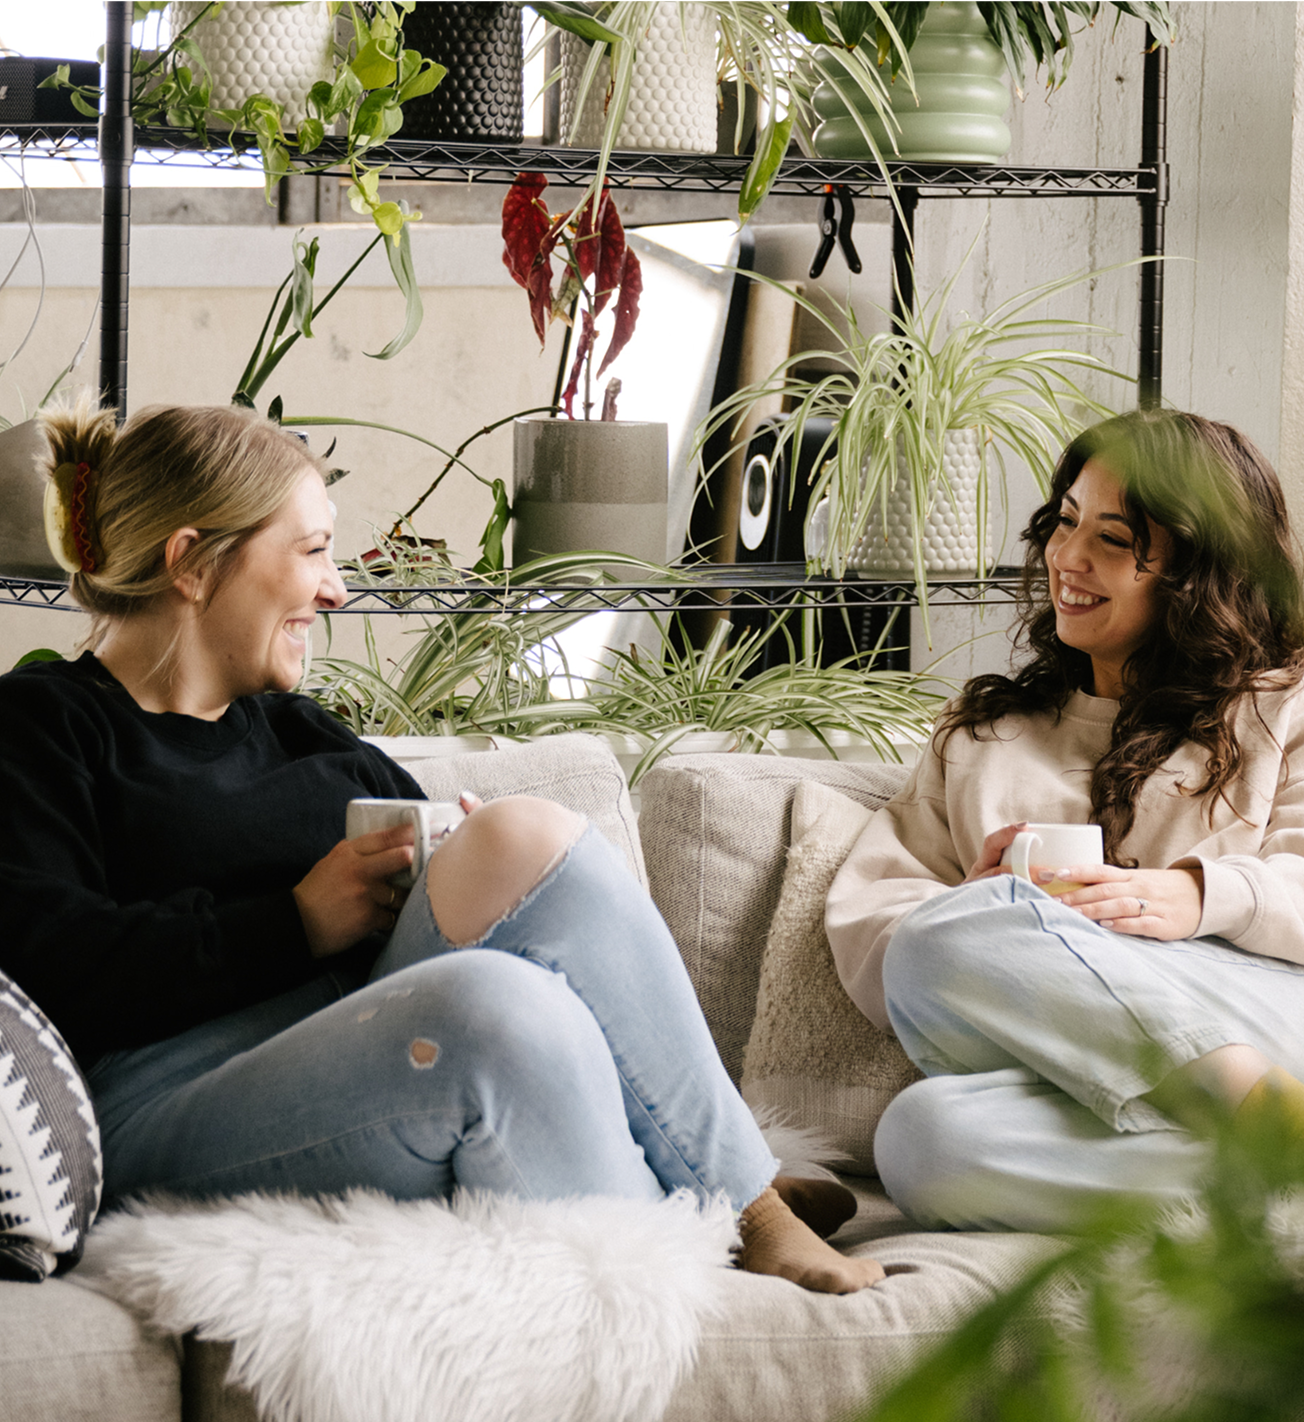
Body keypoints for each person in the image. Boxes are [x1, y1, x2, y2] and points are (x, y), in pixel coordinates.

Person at [0, 399, 881, 1294]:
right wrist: (296, 921)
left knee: (519, 835)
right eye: (311, 552)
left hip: (352, 1045)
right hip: (162, 1097)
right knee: (491, 1010)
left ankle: (738, 1195)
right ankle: (714, 1206)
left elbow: (476, 869)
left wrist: (454, 846)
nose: (337, 588)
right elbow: (58, 962)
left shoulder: (295, 729)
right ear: (191, 562)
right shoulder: (42, 729)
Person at [826, 409, 1304, 1232]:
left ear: (1195, 573)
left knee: (949, 939)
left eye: (1113, 538)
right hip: (1079, 1061)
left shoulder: (1284, 707)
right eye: (1066, 522)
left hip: (1283, 1016)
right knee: (922, 1133)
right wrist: (980, 910)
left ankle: (1256, 1102)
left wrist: (1199, 896)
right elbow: (876, 917)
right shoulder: (982, 737)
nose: (1068, 558)